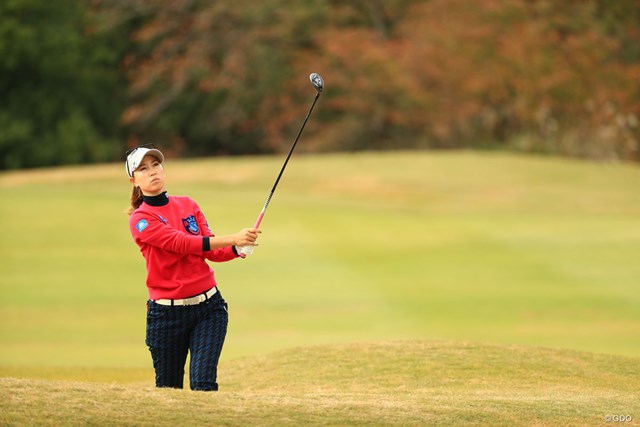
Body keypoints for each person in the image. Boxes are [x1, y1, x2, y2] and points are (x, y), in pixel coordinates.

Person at [125, 144, 259, 391]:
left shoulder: (188, 204)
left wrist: (237, 249)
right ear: (134, 180)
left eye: (156, 165)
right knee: (169, 390)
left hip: (208, 308)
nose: (152, 171)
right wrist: (233, 238)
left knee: (203, 385)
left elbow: (208, 248)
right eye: (143, 169)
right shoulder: (140, 220)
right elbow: (182, 243)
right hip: (166, 316)